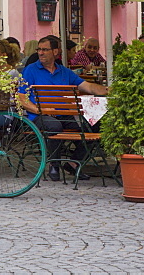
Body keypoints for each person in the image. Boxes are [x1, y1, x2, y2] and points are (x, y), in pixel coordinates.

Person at [18, 35, 108, 181]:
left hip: (62, 115)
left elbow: (88, 87)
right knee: (54, 125)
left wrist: (108, 90)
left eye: (45, 50)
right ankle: (54, 165)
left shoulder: (64, 71)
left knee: (94, 125)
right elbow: (21, 98)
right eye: (39, 49)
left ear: (55, 52)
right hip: (39, 116)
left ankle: (72, 164)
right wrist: (41, 111)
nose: (40, 53)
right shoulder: (30, 70)